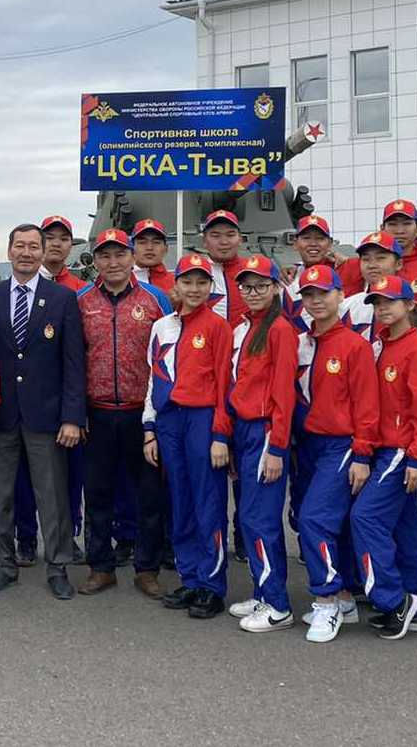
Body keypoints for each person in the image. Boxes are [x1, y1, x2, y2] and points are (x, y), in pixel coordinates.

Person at [0, 223, 85, 600]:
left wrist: (73, 416)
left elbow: (74, 362)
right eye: (19, 246)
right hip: (4, 415)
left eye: (33, 247)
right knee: (1, 496)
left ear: (43, 253)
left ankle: (57, 566)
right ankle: (3, 565)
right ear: (9, 251)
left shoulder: (62, 299)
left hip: (47, 416)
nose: (26, 253)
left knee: (52, 496)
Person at [75, 229, 173, 599]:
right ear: (95, 261)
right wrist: (76, 412)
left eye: (119, 255)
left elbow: (169, 357)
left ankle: (146, 568)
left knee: (148, 494)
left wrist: (161, 414)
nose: (112, 263)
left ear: (132, 257)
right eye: (104, 256)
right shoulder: (82, 302)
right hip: (97, 413)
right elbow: (73, 360)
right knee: (97, 493)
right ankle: (100, 567)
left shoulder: (156, 300)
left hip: (141, 413)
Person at [292, 265, 378, 643]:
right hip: (309, 444)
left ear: (341, 295)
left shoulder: (354, 345)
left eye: (323, 293)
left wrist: (361, 454)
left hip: (341, 446)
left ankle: (326, 600)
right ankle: (343, 597)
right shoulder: (303, 342)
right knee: (327, 522)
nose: (316, 301)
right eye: (309, 294)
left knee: (314, 519)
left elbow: (367, 404)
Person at [144, 254, 233, 619]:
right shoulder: (162, 326)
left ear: (210, 287)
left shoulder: (218, 327)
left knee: (207, 503)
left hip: (202, 421)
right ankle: (191, 577)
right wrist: (149, 428)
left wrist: (220, 435)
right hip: (169, 423)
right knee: (180, 502)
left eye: (201, 282)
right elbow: (154, 378)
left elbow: (226, 385)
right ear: (175, 286)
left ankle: (212, 585)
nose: (194, 289)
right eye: (187, 282)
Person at [351, 276, 417, 640]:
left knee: (365, 516)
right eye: (377, 303)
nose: (383, 308)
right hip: (387, 447)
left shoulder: (415, 348)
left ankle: (392, 599)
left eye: (390, 301)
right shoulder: (382, 345)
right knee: (404, 530)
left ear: (410, 306)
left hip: (401, 449)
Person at [224, 256, 299, 633]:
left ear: (275, 288)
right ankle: (261, 590)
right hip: (244, 431)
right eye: (246, 286)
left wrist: (277, 447)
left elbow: (284, 393)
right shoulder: (243, 328)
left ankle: (277, 604)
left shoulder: (280, 330)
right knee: (249, 516)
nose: (253, 293)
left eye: (261, 286)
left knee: (261, 519)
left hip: (265, 432)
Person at [30, 215, 88, 566]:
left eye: (62, 238)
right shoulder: (21, 287)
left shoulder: (80, 290)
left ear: (71, 245)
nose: (55, 243)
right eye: (47, 237)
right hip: (30, 402)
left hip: (65, 400)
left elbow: (77, 353)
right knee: (25, 480)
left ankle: (69, 535)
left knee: (70, 477)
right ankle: (25, 537)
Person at [341, 200, 417, 330]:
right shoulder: (360, 264)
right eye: (392, 224)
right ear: (382, 228)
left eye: (407, 224)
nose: (399, 231)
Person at [130, 218, 174, 294]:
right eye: (142, 242)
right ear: (132, 248)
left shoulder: (177, 284)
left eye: (156, 242)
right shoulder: (121, 282)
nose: (149, 247)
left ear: (166, 248)